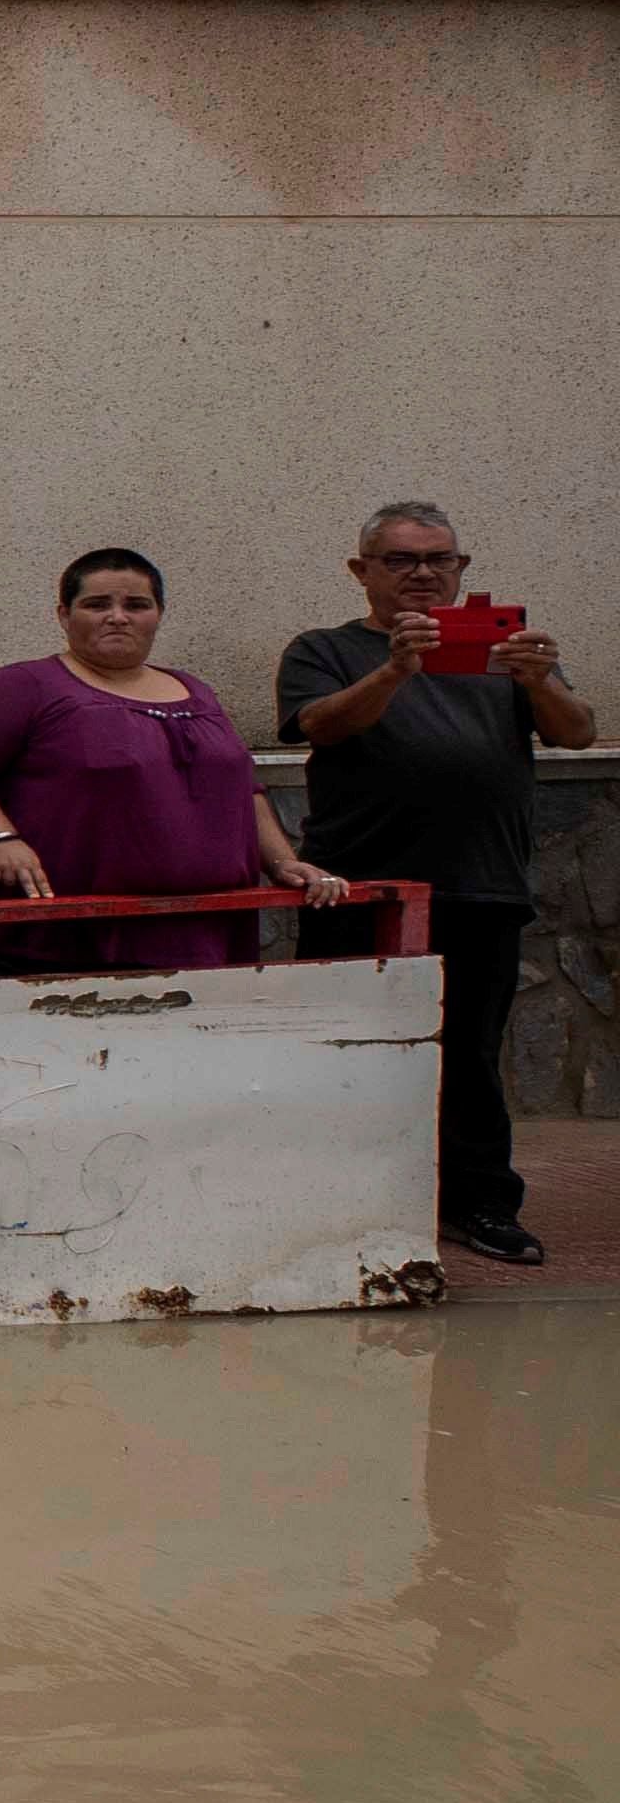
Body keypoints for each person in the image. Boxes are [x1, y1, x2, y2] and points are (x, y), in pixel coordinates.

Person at [278, 500, 590, 1267]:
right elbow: (320, 727)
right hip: (361, 892)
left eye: (439, 559)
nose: (422, 572)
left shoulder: (506, 649)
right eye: (400, 559)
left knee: (473, 1058)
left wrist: (540, 679)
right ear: (361, 571)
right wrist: (395, 667)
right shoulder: (324, 648)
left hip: (483, 883)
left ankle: (481, 1204)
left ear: (462, 569)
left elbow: (575, 731)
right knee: (350, 1052)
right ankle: (337, 1205)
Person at [0, 549, 344, 974]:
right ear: (64, 615)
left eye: (136, 605)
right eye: (96, 604)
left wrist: (281, 862)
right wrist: (0, 839)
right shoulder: (26, 685)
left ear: (158, 614)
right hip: (58, 943)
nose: (118, 617)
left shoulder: (195, 690)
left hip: (201, 935)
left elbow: (242, 789)